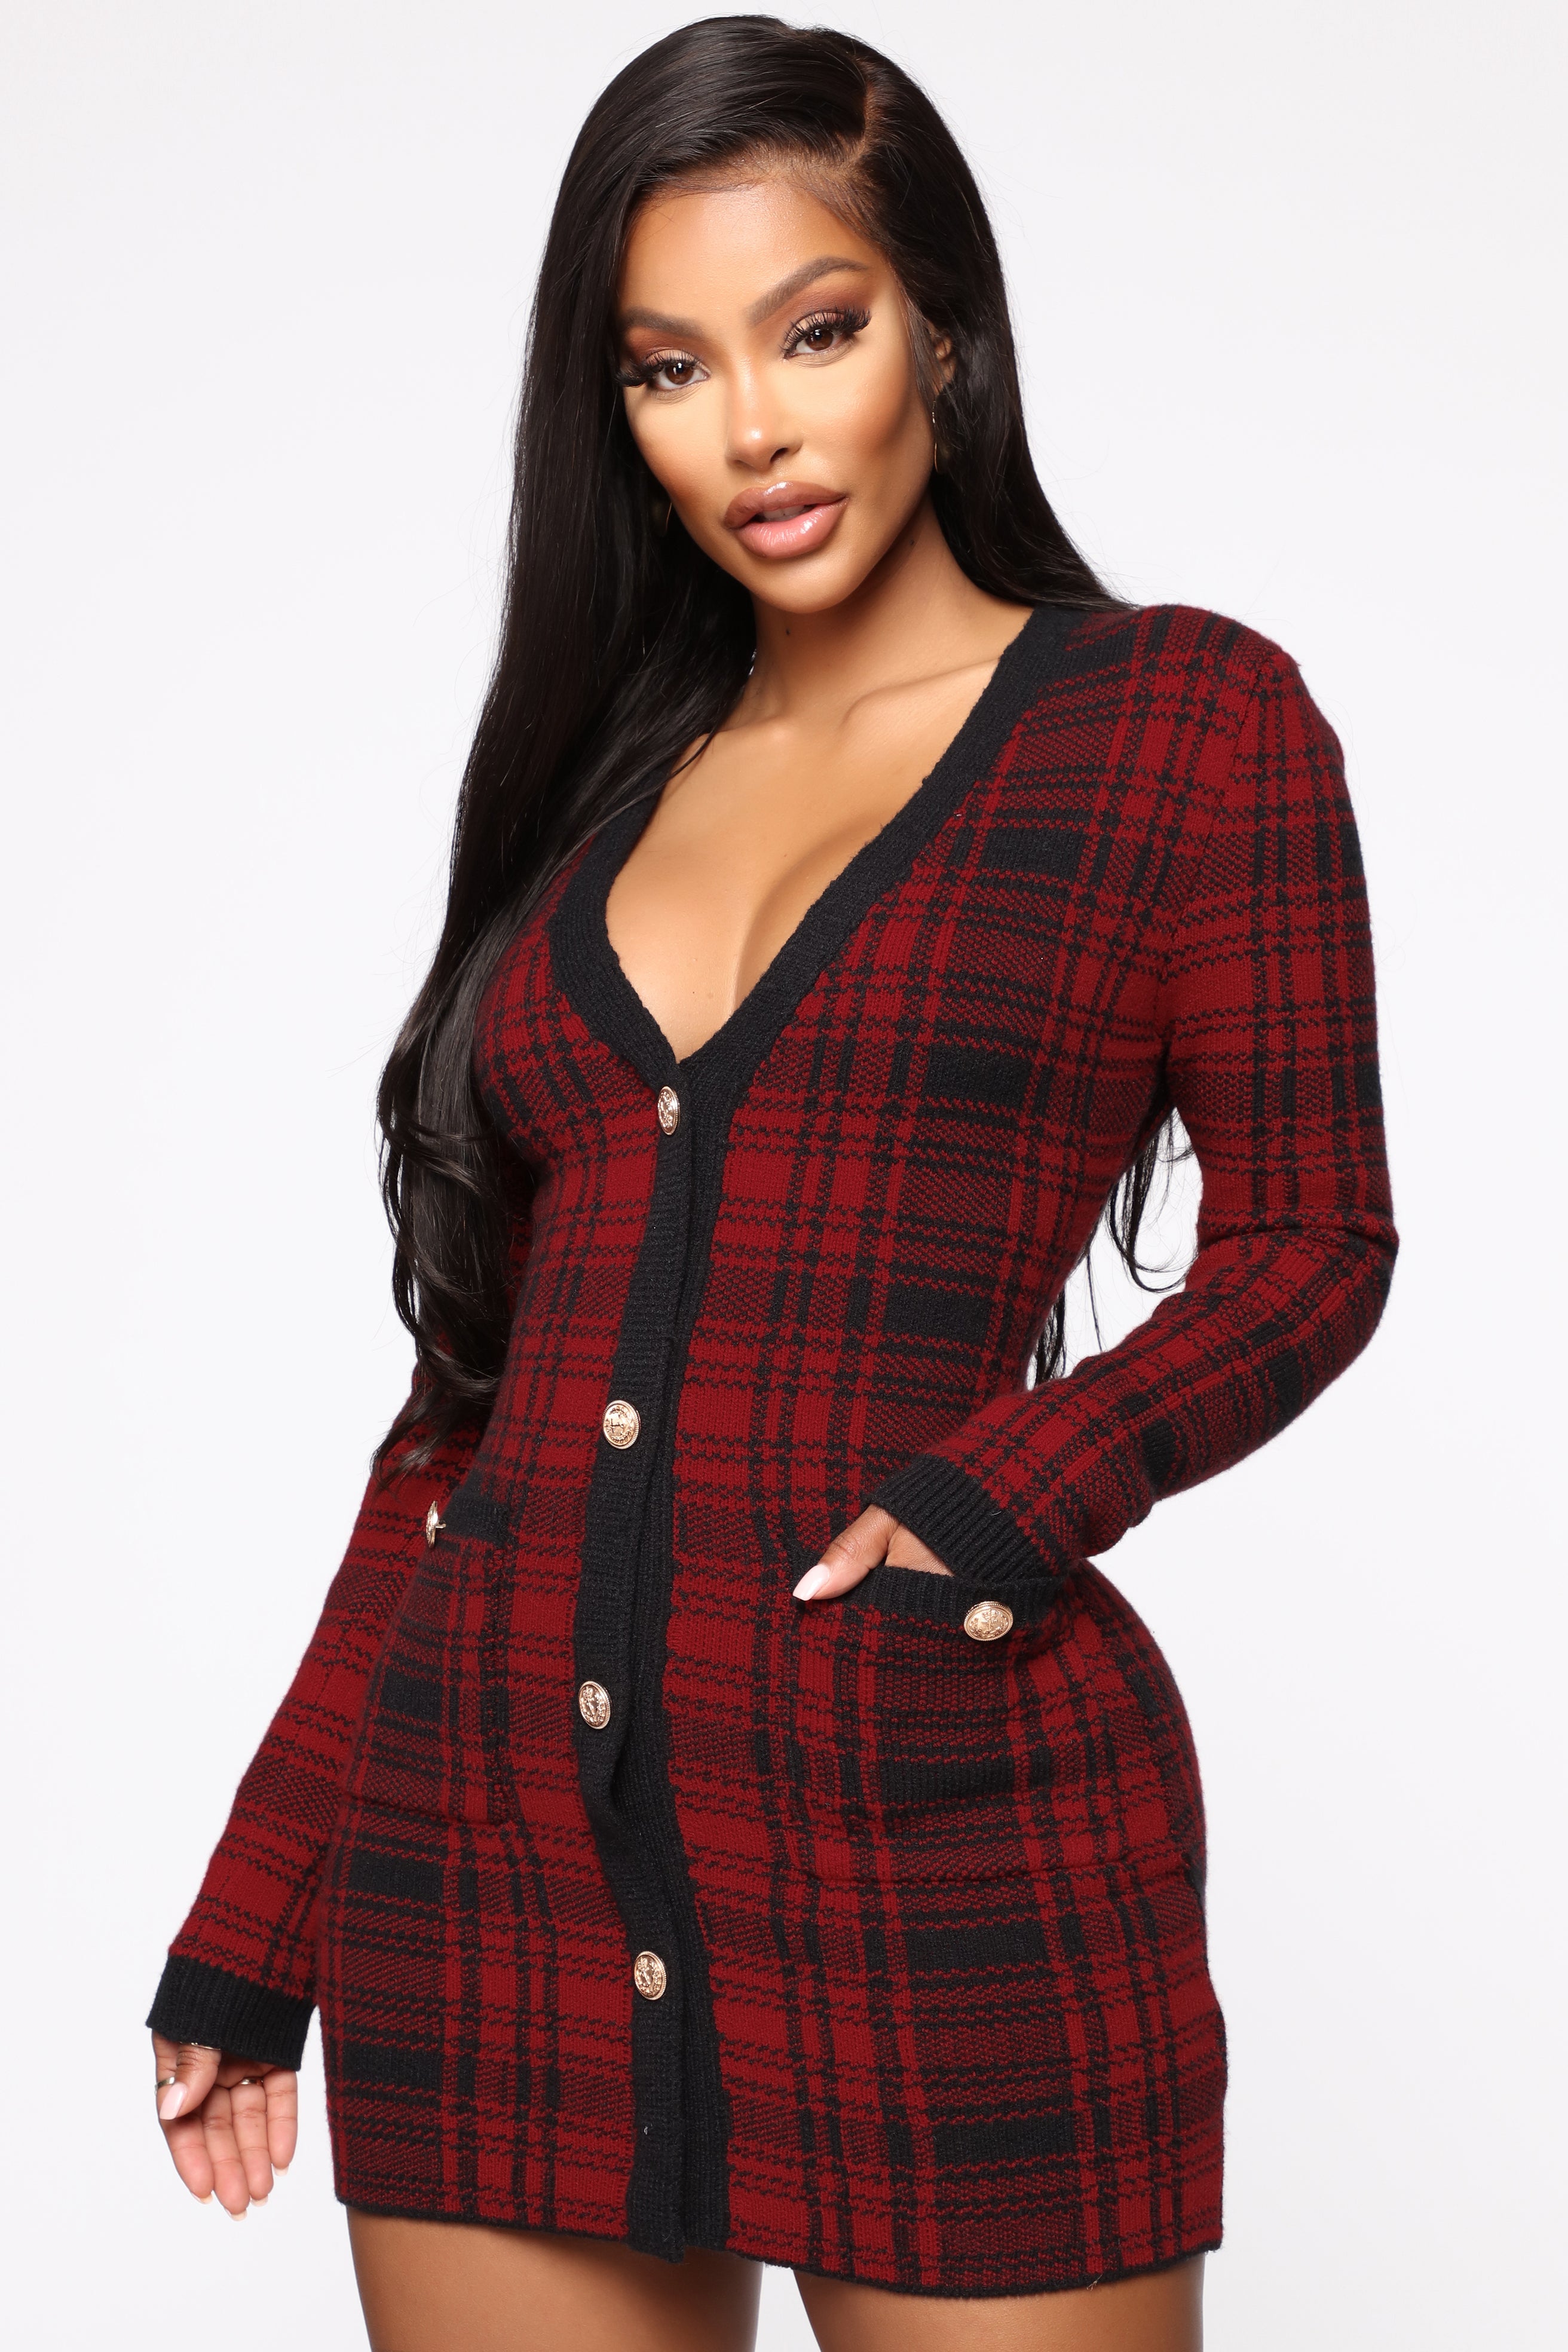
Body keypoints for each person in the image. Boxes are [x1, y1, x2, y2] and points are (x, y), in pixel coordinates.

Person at [146, 19, 1395, 2349]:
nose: (750, 428)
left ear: (943, 330)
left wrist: (1006, 1493)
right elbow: (465, 1422)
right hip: (488, 1874)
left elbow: (1311, 1241)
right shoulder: (592, 792)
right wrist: (261, 1912)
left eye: (813, 331)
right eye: (666, 367)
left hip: (933, 1828)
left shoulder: (1180, 726)